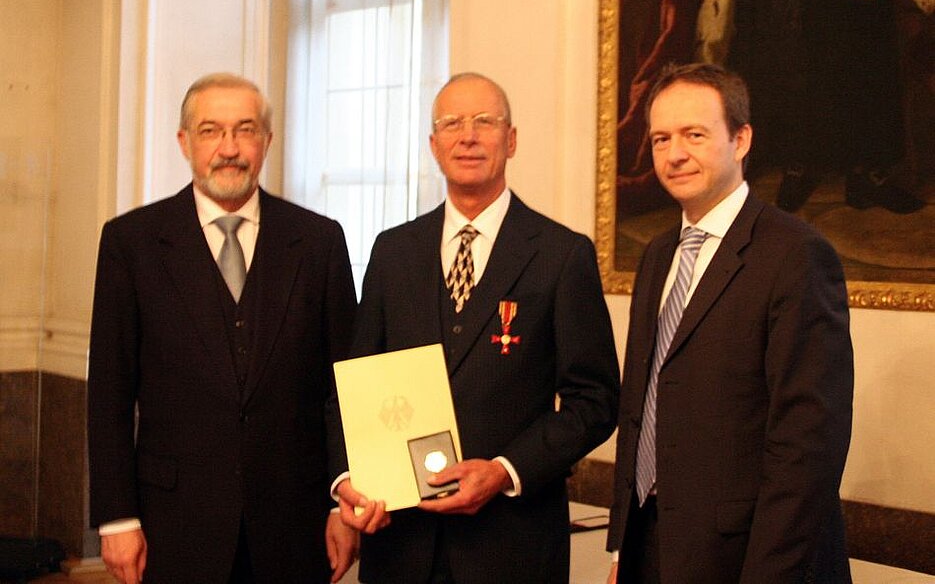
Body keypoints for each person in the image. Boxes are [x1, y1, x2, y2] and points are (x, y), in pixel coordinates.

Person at [326, 72, 620, 583]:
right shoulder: (392, 251)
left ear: (511, 140)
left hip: (511, 548)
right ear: (434, 145)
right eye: (452, 123)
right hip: (401, 548)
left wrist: (505, 471)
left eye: (485, 121)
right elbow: (353, 387)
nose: (468, 135)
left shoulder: (560, 254)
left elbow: (593, 402)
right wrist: (347, 480)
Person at [87, 73, 358, 584]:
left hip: (295, 526)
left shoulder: (319, 241)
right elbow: (109, 393)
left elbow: (344, 387)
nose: (229, 148)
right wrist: (117, 517)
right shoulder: (132, 244)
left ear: (268, 142)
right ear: (185, 142)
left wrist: (338, 502)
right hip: (172, 524)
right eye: (211, 131)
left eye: (246, 130)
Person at [606, 63, 854, 583]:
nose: (674, 154)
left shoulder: (797, 255)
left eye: (694, 135)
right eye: (660, 139)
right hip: (653, 551)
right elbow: (643, 405)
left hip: (749, 562)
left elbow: (807, 447)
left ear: (741, 139)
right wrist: (621, 551)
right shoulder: (656, 255)